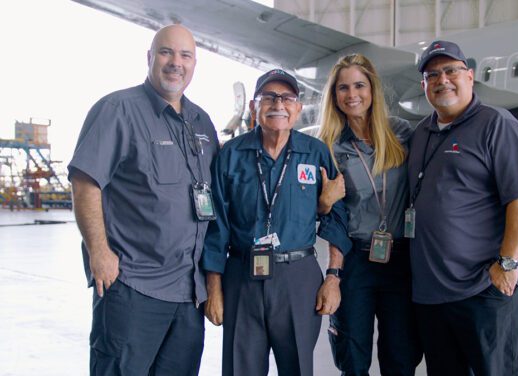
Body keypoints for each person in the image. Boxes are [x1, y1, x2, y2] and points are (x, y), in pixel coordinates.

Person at [68, 24, 219, 375]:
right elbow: (85, 182)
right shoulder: (118, 109)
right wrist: (99, 252)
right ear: (150, 58)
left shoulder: (202, 122)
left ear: (194, 64)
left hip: (187, 295)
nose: (175, 63)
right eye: (166, 52)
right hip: (133, 287)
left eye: (185, 55)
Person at [201, 68, 352, 376]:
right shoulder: (231, 155)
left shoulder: (314, 153)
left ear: (297, 108)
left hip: (297, 277)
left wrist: (333, 278)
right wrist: (213, 288)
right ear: (255, 107)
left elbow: (337, 215)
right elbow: (215, 225)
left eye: (286, 98)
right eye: (268, 97)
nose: (277, 104)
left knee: (297, 367)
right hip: (242, 276)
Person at [408, 40, 518, 375]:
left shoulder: (496, 124)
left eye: (451, 70)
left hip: (484, 288)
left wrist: (508, 262)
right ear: (424, 85)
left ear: (470, 76)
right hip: (433, 294)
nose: (443, 80)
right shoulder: (422, 133)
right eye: (433, 74)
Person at [318, 53, 422, 376]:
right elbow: (332, 216)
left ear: (373, 89)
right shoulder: (331, 148)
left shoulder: (402, 134)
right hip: (357, 263)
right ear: (334, 96)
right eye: (343, 88)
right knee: (352, 356)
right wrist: (333, 275)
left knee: (401, 357)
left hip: (401, 260)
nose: (352, 95)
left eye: (359, 85)